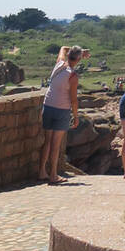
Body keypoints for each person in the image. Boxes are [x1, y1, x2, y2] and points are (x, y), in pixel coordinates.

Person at [40, 45, 83, 184]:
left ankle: (41, 171)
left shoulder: (59, 64)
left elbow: (63, 47)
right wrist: (76, 116)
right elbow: (73, 99)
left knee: (47, 141)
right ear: (78, 59)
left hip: (48, 105)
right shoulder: (73, 76)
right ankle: (53, 175)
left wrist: (79, 51)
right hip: (62, 109)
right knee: (55, 144)